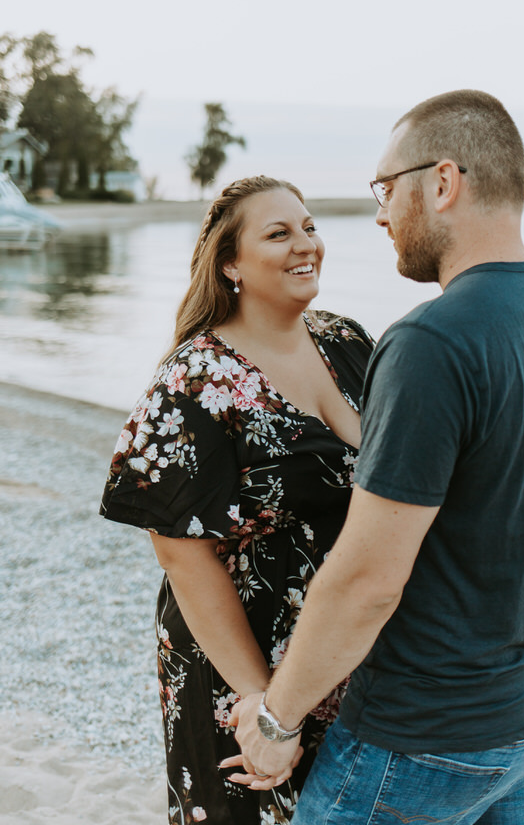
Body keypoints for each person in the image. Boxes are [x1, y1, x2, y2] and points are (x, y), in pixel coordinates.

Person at [232, 91, 524, 825]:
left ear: (442, 183)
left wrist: (278, 721)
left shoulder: (430, 344)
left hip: (425, 736)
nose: (378, 214)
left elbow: (370, 577)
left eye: (386, 188)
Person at [100, 175, 374, 825]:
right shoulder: (193, 381)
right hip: (243, 666)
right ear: (230, 263)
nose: (305, 244)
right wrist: (264, 707)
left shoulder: (346, 343)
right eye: (278, 232)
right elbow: (181, 556)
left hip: (341, 654)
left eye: (309, 226)